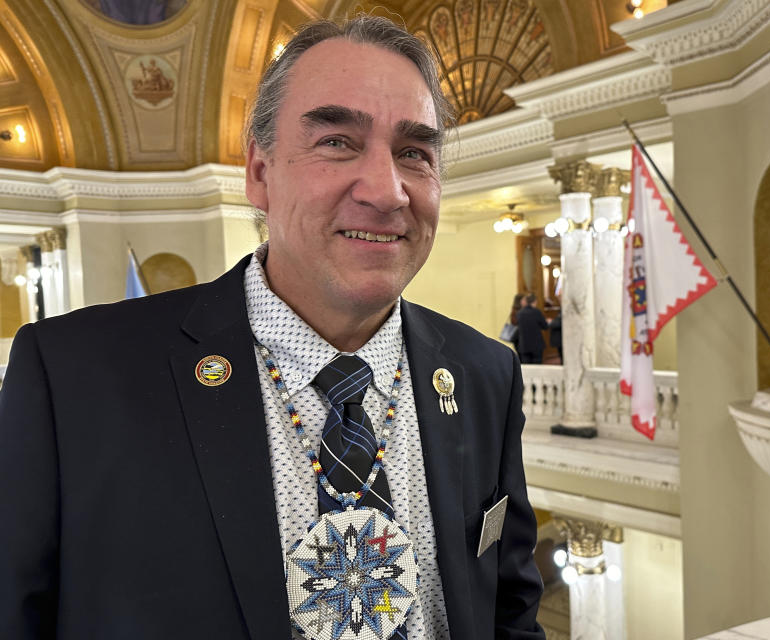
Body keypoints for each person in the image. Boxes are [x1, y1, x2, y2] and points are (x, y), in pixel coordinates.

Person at [0, 16, 544, 640]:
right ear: (259, 173)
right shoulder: (75, 376)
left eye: (414, 153)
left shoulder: (484, 373)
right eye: (338, 141)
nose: (388, 190)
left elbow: (510, 608)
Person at [516, 294, 548, 364]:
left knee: (526, 368)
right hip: (536, 345)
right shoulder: (537, 312)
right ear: (535, 301)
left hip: (524, 345)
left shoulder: (519, 313)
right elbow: (545, 326)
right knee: (537, 368)